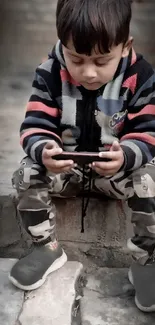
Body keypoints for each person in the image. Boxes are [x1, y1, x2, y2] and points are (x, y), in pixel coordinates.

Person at [9, 0, 155, 312]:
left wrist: (127, 155)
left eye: (102, 61)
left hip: (115, 175)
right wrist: (45, 149)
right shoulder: (49, 73)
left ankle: (147, 258)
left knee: (151, 177)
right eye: (76, 59)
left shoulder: (141, 76)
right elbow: (35, 124)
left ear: (125, 45)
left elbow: (149, 131)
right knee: (26, 172)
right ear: (63, 44)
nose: (88, 72)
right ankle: (45, 247)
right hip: (66, 172)